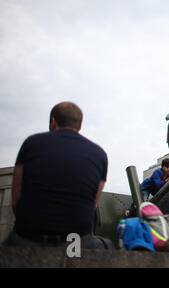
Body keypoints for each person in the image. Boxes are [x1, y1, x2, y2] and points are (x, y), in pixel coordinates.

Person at [4, 102, 108, 249]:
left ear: (53, 121)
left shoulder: (31, 143)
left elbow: (16, 200)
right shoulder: (100, 154)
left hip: (28, 236)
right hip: (76, 241)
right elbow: (93, 204)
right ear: (79, 126)